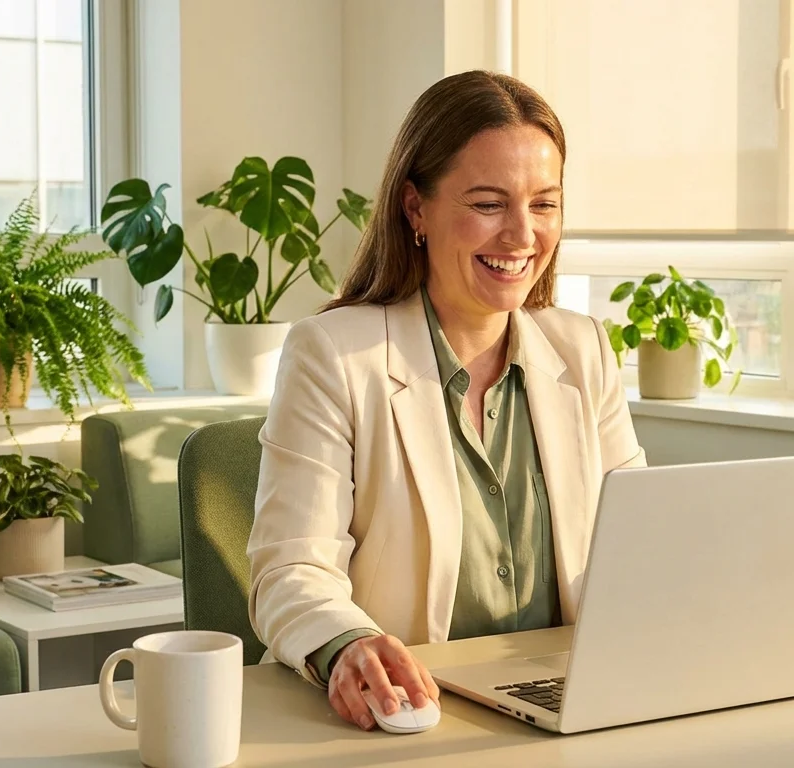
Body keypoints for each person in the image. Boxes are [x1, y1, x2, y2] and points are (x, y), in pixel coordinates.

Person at [246, 70, 647, 731]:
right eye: (489, 204)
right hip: (404, 715)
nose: (522, 236)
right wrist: (347, 644)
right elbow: (291, 567)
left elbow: (640, 548)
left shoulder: (583, 350)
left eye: (544, 204)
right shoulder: (333, 355)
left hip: (559, 709)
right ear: (416, 209)